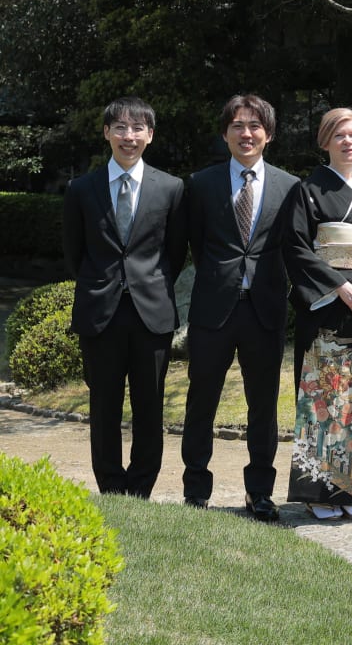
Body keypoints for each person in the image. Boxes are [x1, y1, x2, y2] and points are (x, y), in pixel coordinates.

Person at [181, 94, 299, 520]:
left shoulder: (290, 186)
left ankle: (259, 493)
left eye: (254, 126)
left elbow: (292, 247)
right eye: (237, 125)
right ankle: (195, 490)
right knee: (201, 400)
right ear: (225, 132)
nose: (245, 133)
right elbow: (195, 243)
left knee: (263, 406)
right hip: (214, 309)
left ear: (268, 134)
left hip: (264, 310)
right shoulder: (201, 183)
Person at [62, 97, 187, 497]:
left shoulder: (171, 188)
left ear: (150, 135)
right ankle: (112, 488)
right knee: (104, 407)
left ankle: (141, 487)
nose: (128, 136)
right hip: (100, 312)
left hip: (151, 313)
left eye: (137, 129)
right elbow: (73, 254)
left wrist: (146, 281)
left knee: (150, 406)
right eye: (119, 127)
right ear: (106, 133)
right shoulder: (81, 189)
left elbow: (175, 253)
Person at [284, 107, 352, 521]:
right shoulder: (307, 190)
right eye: (339, 135)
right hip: (327, 305)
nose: (349, 142)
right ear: (325, 142)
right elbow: (296, 247)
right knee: (322, 398)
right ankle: (318, 493)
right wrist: (340, 286)